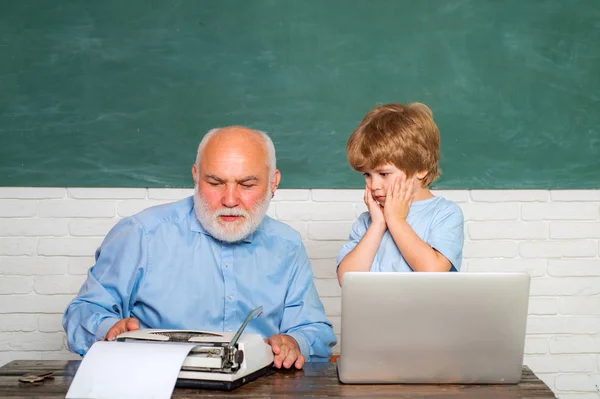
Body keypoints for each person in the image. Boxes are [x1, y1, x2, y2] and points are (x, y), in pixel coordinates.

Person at [63, 126, 336, 369]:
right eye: (215, 183)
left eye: (247, 184)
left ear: (273, 183)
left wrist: (296, 342)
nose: (230, 199)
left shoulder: (287, 245)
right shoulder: (142, 234)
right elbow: (83, 311)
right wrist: (110, 328)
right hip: (158, 384)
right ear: (196, 176)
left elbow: (314, 329)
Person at [336, 103, 464, 285]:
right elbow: (346, 279)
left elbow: (433, 270)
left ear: (421, 169)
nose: (374, 185)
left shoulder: (445, 213)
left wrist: (396, 220)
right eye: (367, 175)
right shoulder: (368, 221)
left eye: (383, 174)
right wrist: (378, 224)